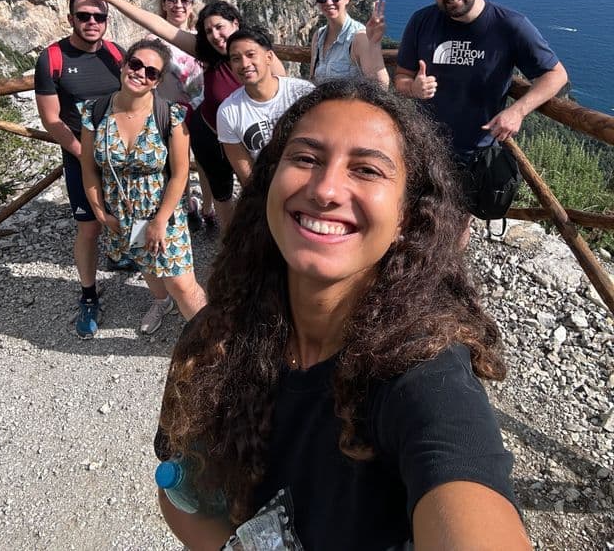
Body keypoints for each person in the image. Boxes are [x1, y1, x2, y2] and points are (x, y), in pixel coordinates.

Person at [154, 80, 531, 551]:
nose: (326, 189)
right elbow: (179, 491)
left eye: (367, 170)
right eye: (306, 158)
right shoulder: (212, 341)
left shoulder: (422, 375)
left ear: (407, 220)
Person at [86, 0, 284, 230]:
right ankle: (228, 249)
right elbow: (157, 25)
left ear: (235, 23)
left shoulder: (258, 53)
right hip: (211, 135)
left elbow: (284, 89)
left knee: (261, 191)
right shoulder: (207, 51)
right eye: (209, 30)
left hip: (254, 135)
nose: (216, 35)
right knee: (223, 195)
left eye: (220, 27)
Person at [79, 38, 206, 335]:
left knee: (182, 283)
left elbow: (180, 174)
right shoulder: (95, 113)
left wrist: (160, 220)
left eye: (151, 72)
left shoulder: (171, 116)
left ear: (157, 81)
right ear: (124, 65)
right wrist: (100, 212)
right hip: (120, 210)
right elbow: (89, 168)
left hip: (163, 211)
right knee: (145, 263)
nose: (140, 73)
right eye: (135, 64)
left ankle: (208, 340)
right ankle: (161, 303)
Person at [394, 0, 568, 163]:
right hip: (425, 152)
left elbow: (556, 74)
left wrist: (518, 111)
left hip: (478, 159)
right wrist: (413, 88)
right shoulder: (421, 21)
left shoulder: (510, 25)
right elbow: (401, 77)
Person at [34, 0, 125, 339]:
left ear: (106, 20)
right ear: (70, 18)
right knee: (88, 228)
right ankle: (88, 295)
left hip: (118, 154)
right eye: (84, 16)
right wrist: (84, 153)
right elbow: (52, 119)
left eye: (98, 16)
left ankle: (120, 255)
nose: (91, 22)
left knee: (123, 211)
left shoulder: (116, 54)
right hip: (80, 158)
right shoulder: (53, 58)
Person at [152, 0, 215, 229]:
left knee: (205, 162)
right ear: (164, 5)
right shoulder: (153, 40)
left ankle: (209, 208)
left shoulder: (203, 38)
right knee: (178, 164)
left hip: (202, 110)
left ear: (191, 6)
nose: (178, 5)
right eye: (172, 0)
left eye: (184, 0)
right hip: (169, 110)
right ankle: (187, 206)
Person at [216, 27, 314, 186]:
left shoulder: (302, 93)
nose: (244, 64)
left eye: (251, 55)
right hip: (266, 188)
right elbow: (246, 174)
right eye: (236, 59)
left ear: (268, 57)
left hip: (309, 181)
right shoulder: (228, 112)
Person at [310, 0, 389, 88]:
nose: (328, 2)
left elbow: (381, 86)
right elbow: (312, 81)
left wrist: (374, 44)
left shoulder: (358, 37)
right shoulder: (318, 36)